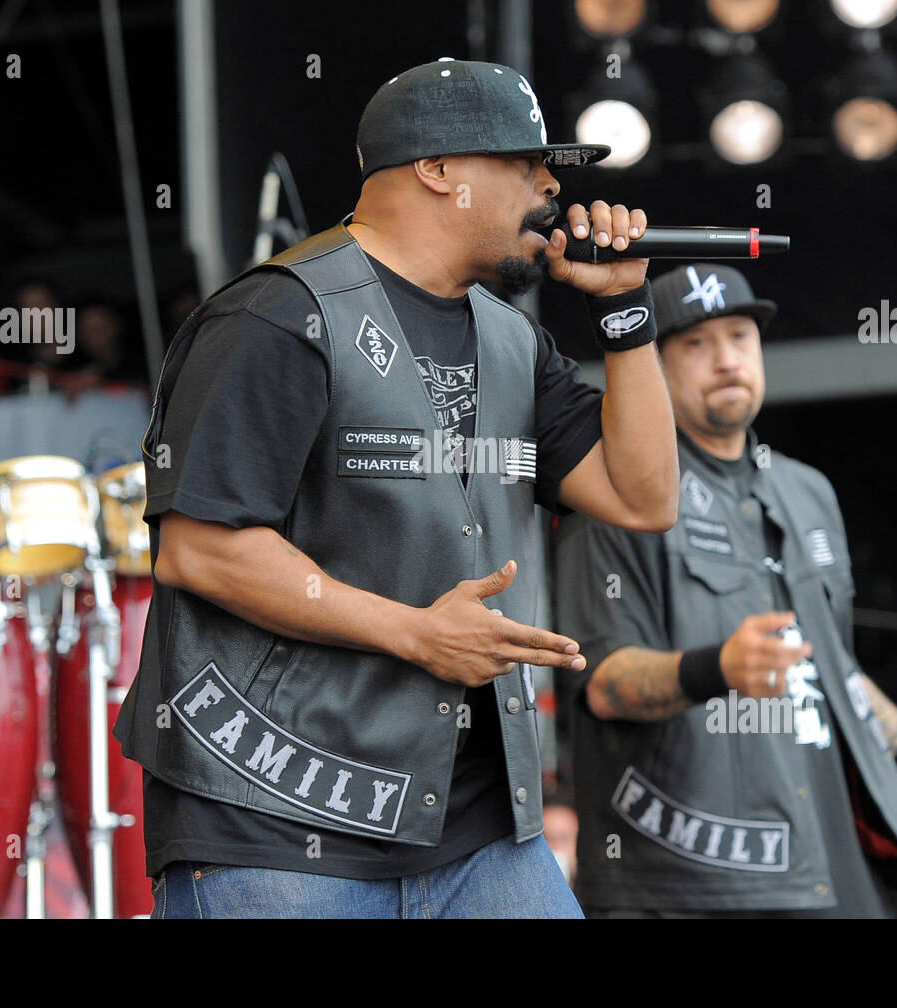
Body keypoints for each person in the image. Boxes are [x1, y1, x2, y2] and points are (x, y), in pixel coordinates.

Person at [114, 57, 680, 919]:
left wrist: (626, 314)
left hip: (477, 831)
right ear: (439, 169)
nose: (550, 190)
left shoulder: (510, 340)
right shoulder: (278, 315)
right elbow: (201, 552)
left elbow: (644, 499)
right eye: (527, 165)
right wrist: (417, 635)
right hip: (279, 819)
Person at [553, 262, 897, 917]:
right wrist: (717, 667)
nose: (725, 359)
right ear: (652, 365)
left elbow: (832, 668)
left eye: (741, 336)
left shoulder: (807, 492)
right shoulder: (616, 495)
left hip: (830, 862)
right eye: (695, 343)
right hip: (696, 880)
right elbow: (601, 681)